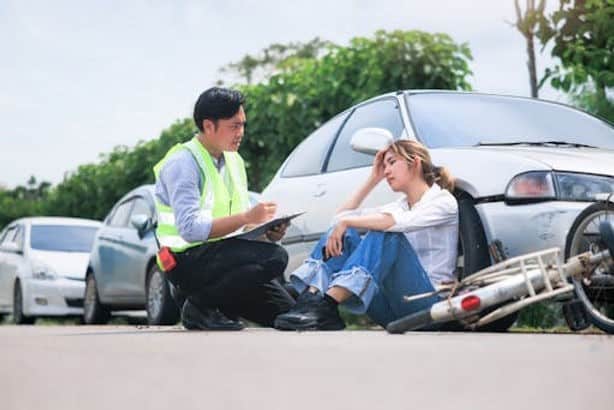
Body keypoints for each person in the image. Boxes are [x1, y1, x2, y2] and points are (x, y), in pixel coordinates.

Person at [274, 140, 458, 331]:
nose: (386, 171)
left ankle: (326, 305)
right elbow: (338, 220)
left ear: (416, 163)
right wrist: (372, 179)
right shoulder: (399, 206)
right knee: (344, 233)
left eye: (392, 162)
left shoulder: (443, 201)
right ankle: (311, 301)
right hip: (392, 312)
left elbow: (397, 223)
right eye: (384, 166)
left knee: (388, 233)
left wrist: (346, 222)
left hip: (427, 309)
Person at [154, 87, 293, 331]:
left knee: (288, 314)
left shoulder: (234, 161)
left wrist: (265, 229)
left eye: (242, 125)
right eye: (234, 126)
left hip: (222, 259)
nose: (241, 133)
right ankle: (199, 306)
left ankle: (214, 304)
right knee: (275, 258)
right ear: (209, 126)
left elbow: (239, 226)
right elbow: (189, 230)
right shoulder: (183, 163)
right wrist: (247, 216)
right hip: (185, 260)